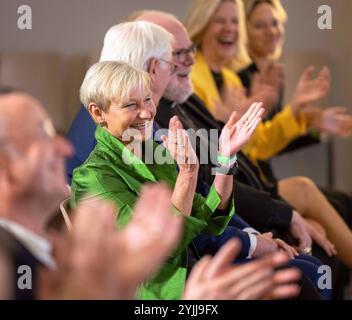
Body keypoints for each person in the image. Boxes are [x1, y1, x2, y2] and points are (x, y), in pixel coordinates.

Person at [71, 60, 265, 299]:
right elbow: (158, 251)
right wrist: (188, 174)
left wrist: (225, 159)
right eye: (131, 105)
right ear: (98, 113)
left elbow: (211, 220)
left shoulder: (151, 151)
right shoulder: (93, 177)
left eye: (148, 100)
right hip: (154, 293)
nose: (146, 113)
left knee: (298, 277)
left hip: (192, 271)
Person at [184, 0, 352, 271]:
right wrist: (227, 121)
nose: (230, 28)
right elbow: (213, 149)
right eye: (220, 20)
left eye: (234, 21)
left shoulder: (230, 78)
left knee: (326, 218)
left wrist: (295, 111)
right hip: (229, 189)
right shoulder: (190, 79)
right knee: (310, 194)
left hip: (247, 179)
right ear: (202, 25)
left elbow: (259, 143)